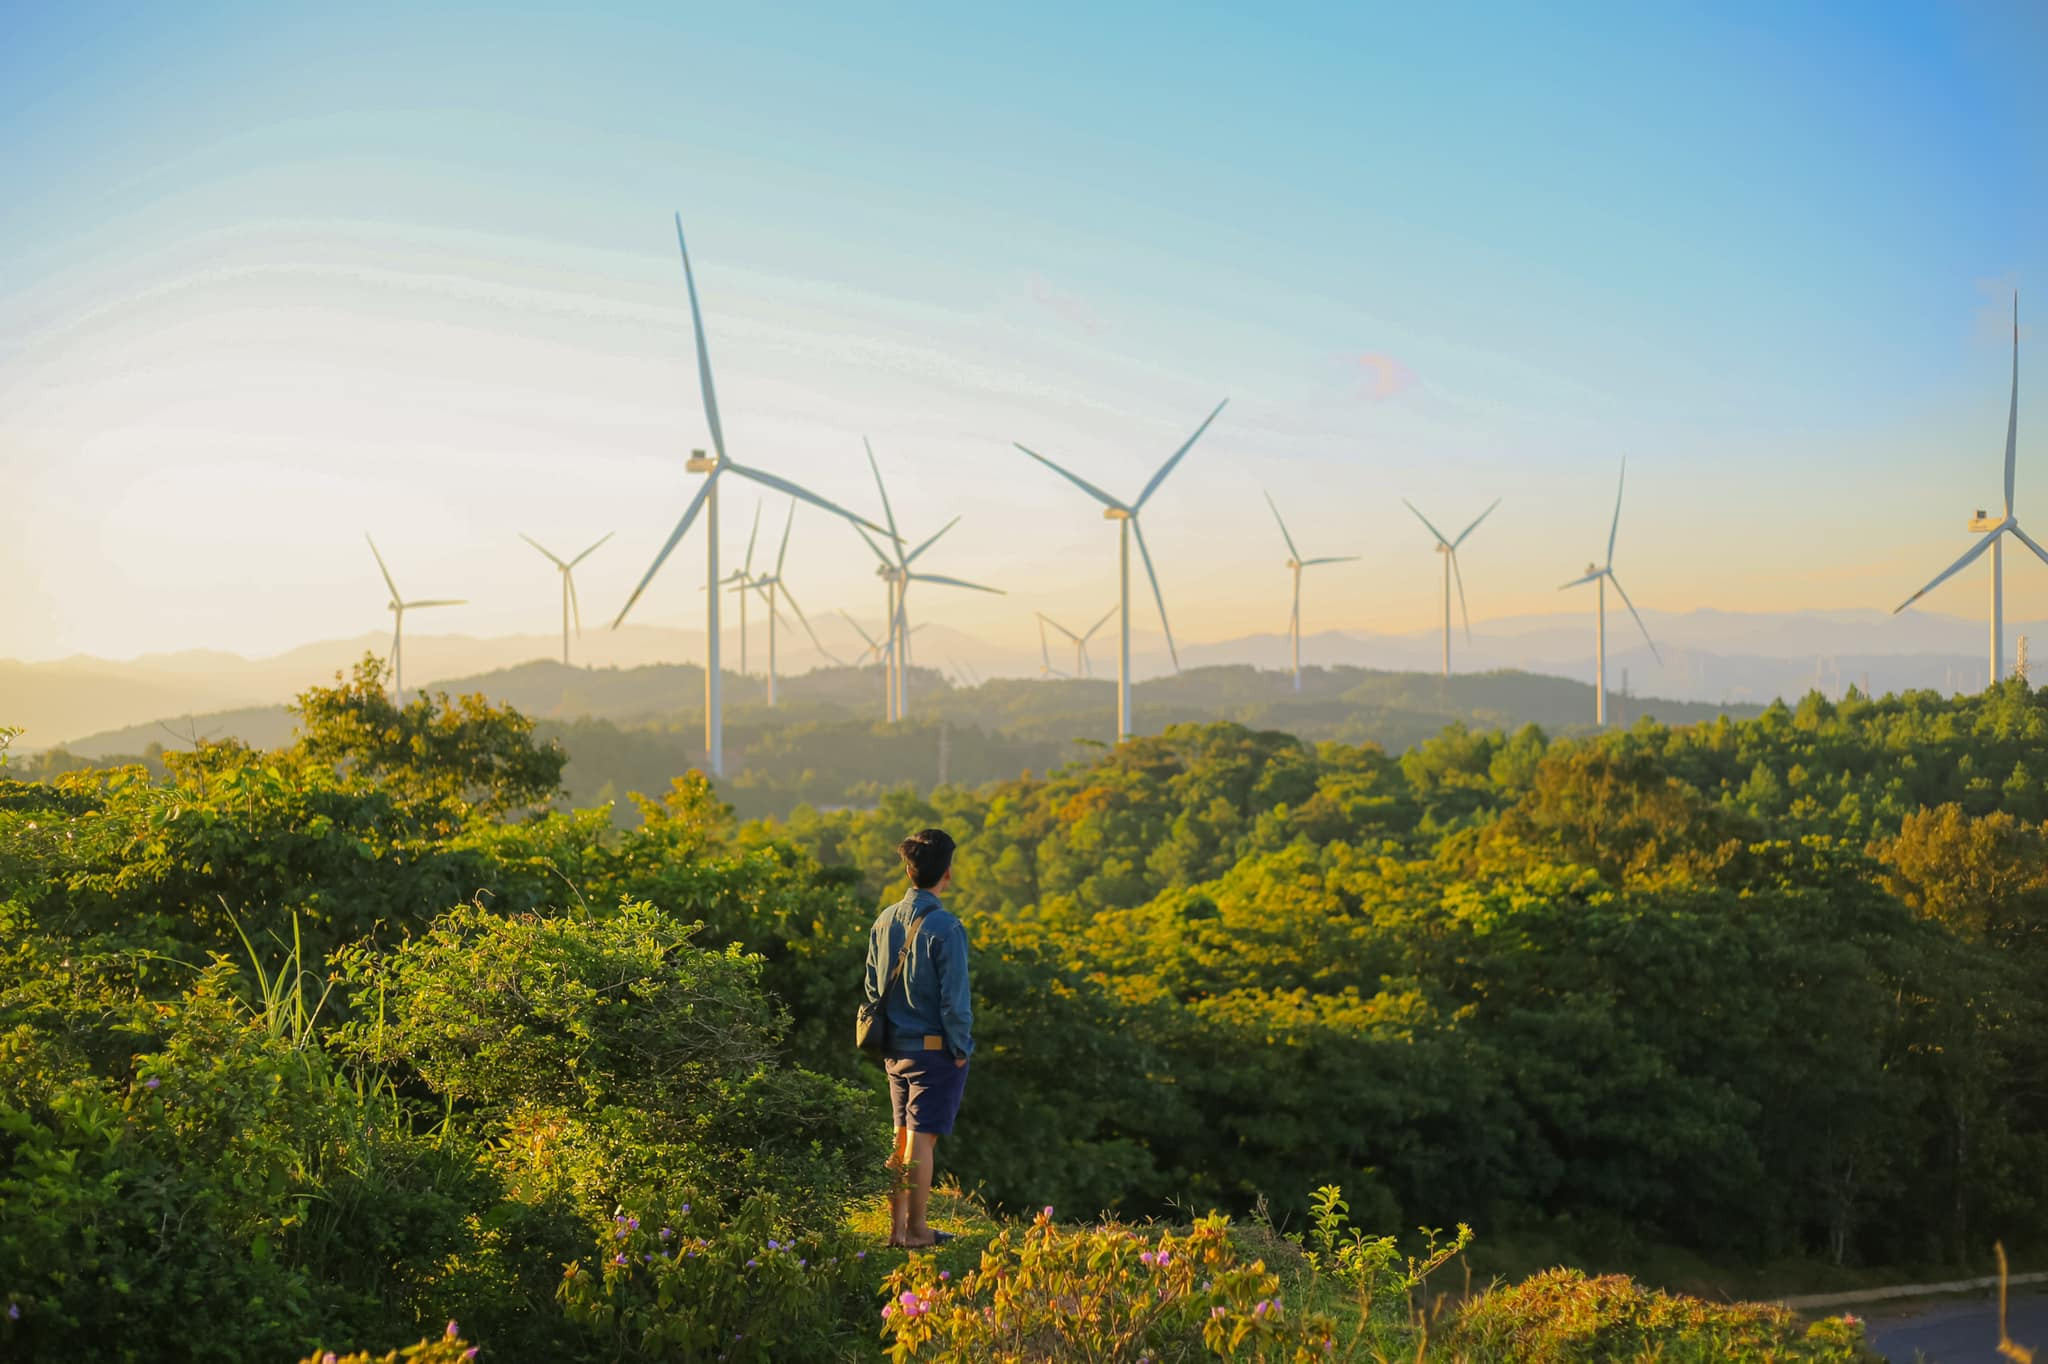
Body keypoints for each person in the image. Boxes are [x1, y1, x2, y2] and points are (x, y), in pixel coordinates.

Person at [864, 827, 973, 1250]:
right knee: (921, 1140)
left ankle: (896, 1230)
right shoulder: (946, 927)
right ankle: (918, 1230)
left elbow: (873, 990)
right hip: (933, 1051)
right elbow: (955, 1003)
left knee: (901, 1137)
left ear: (909, 869)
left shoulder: (884, 919)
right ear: (946, 873)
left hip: (895, 1050)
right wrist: (960, 1049)